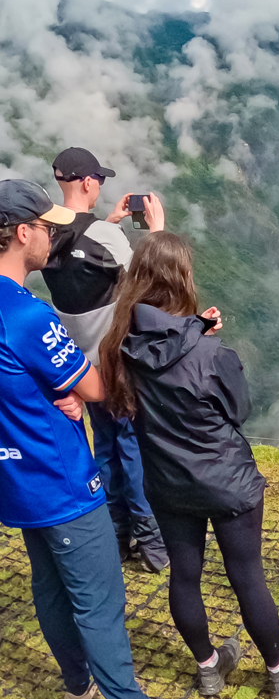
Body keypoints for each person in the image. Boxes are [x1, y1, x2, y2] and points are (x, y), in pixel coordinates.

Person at [0, 179, 192, 699]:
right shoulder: (27, 317)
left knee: (49, 584)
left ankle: (76, 683)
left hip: (13, 480)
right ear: (21, 234)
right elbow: (100, 388)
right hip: (58, 475)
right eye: (45, 227)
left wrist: (47, 389)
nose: (52, 237)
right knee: (99, 599)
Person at [97, 232, 279, 699]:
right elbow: (237, 411)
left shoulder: (117, 348)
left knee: (184, 574)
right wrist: (201, 337)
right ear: (182, 278)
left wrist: (195, 329)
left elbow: (142, 379)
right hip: (228, 483)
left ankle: (209, 667)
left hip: (166, 483)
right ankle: (278, 669)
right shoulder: (211, 353)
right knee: (246, 574)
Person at [42, 147, 169, 572]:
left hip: (79, 366)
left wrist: (108, 222)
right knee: (131, 446)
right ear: (88, 183)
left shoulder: (46, 233)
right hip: (115, 362)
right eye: (98, 180)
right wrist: (155, 231)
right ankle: (152, 542)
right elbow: (147, 282)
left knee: (106, 447)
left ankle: (116, 536)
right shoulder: (106, 238)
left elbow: (81, 261)